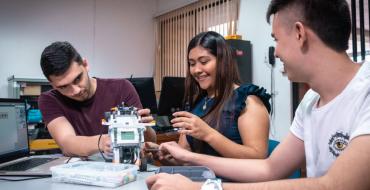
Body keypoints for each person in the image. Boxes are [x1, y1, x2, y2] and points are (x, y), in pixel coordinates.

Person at [146, 0, 370, 189]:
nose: (277, 51)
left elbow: (333, 185)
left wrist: (203, 187)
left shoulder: (366, 91)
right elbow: (270, 167)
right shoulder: (311, 102)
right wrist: (188, 158)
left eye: (277, 40)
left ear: (300, 33)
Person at [144, 31, 271, 165]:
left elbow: (258, 159)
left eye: (204, 61)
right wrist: (162, 155)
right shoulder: (197, 104)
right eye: (192, 64)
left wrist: (208, 134)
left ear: (223, 61)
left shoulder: (248, 100)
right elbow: (186, 162)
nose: (196, 70)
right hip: (200, 183)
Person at [38, 41, 156, 157]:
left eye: (78, 79)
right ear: (52, 85)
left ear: (85, 64)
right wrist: (104, 142)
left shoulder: (122, 88)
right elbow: (67, 143)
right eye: (63, 87)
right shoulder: (49, 100)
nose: (75, 91)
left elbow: (150, 142)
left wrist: (145, 128)